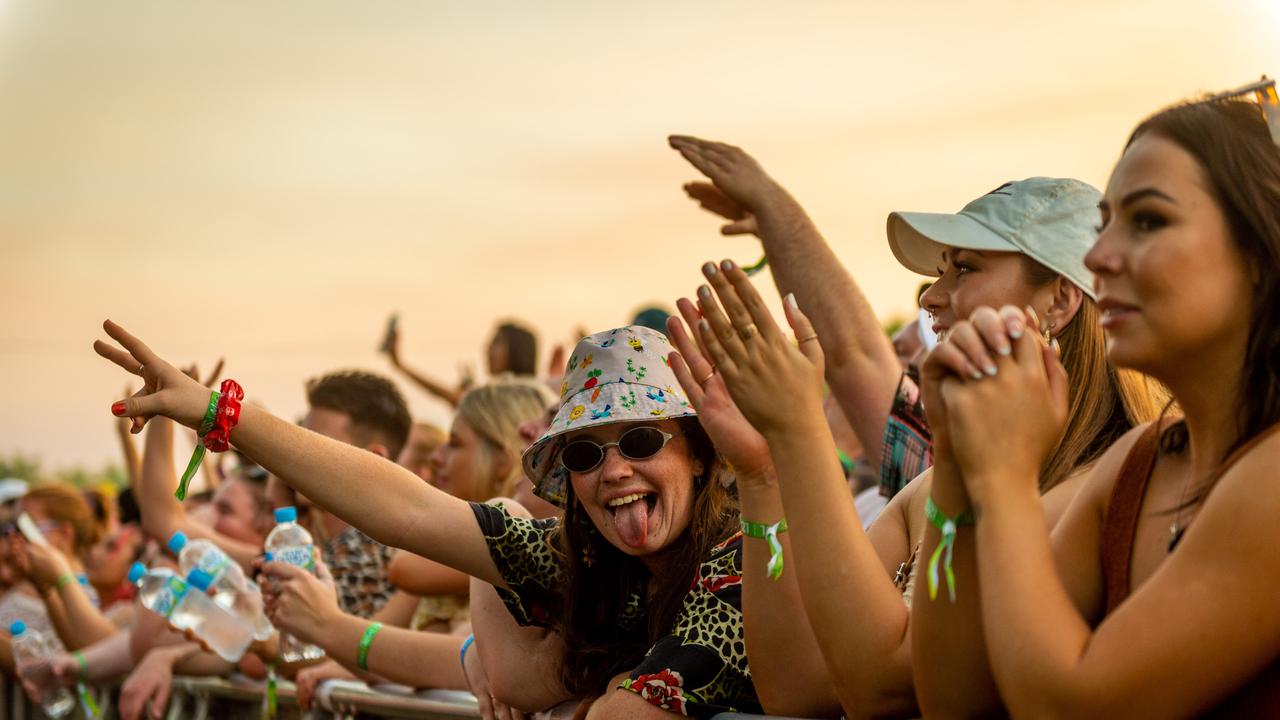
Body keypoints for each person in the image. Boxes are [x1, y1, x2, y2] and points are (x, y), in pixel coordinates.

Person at [670, 138, 1159, 717]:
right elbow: (799, 689)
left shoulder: (1105, 484)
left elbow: (884, 692)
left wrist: (799, 430)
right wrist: (762, 472)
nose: (932, 295)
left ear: (1059, 300)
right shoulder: (927, 489)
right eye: (939, 271)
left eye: (966, 268)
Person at [97, 323, 763, 717]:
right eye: (588, 452)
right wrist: (221, 414)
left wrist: (577, 696)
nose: (614, 470)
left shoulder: (741, 561)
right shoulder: (582, 559)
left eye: (642, 442)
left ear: (700, 454)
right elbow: (407, 510)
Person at [917, 87, 1280, 716]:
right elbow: (960, 699)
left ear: (1260, 249)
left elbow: (1067, 705)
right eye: (1107, 222)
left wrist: (1002, 477)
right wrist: (953, 459)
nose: (1097, 257)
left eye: (1149, 221)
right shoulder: (1138, 464)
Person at [283, 379, 552, 708]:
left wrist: (328, 625)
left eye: (454, 444)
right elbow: (400, 638)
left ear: (500, 460)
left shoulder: (522, 536)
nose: (437, 457)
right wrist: (348, 658)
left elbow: (458, 653)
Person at [386, 319, 538, 408]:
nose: (487, 349)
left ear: (516, 350)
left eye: (496, 342)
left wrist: (400, 364)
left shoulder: (517, 394)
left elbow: (452, 397)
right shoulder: (522, 392)